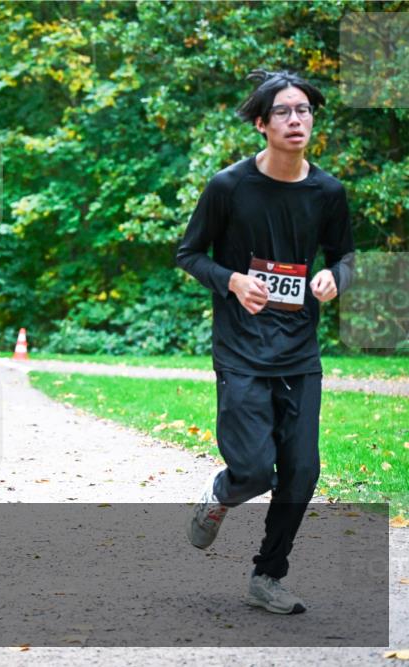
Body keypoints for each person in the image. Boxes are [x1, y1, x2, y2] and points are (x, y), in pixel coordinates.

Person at [176, 69, 354, 614]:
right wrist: (231, 280)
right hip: (242, 351)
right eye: (284, 112)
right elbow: (189, 254)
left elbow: (344, 255)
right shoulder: (228, 187)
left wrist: (333, 279)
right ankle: (222, 493)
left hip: (299, 352)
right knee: (254, 470)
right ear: (261, 123)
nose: (297, 119)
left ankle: (267, 577)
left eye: (304, 110)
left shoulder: (328, 192)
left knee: (302, 472)